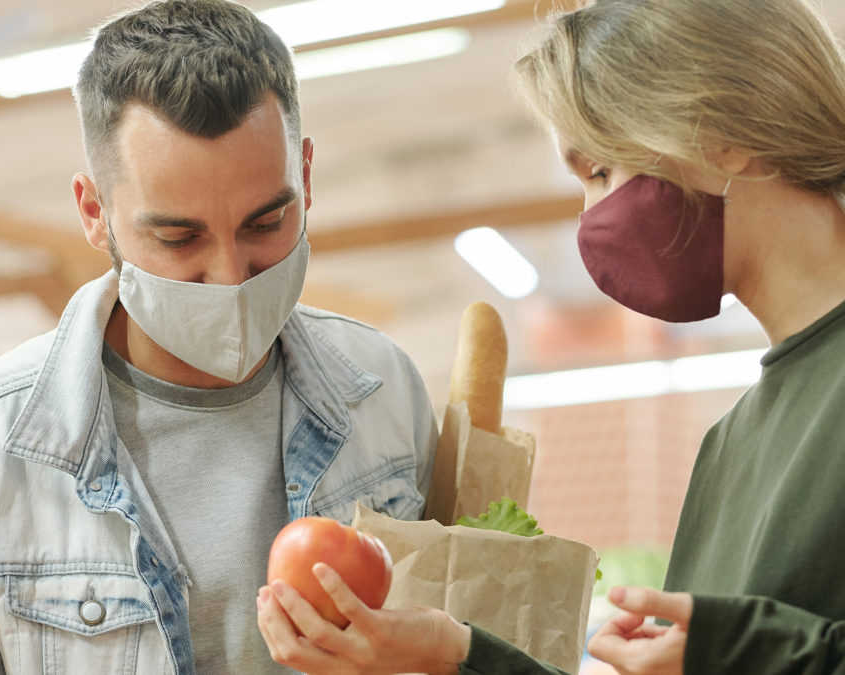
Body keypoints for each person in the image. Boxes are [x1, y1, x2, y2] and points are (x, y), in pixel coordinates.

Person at [0, 1, 438, 672]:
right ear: (95, 213)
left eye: (265, 223)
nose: (229, 275)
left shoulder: (384, 397)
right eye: (179, 237)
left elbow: (472, 630)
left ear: (307, 175)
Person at [257, 0, 845, 672]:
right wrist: (455, 653)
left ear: (723, 130)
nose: (592, 216)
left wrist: (732, 652)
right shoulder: (730, 444)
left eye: (599, 172)